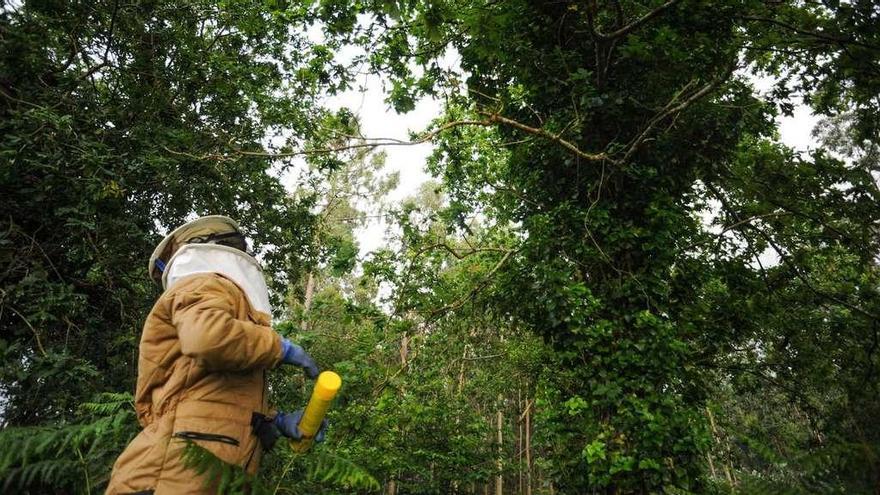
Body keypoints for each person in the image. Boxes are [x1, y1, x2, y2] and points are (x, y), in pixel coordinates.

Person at [107, 215, 325, 494]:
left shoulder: (213, 294)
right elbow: (206, 338)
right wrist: (278, 347)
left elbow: (208, 394)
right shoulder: (204, 283)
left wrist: (273, 421)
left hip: (192, 469)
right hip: (173, 473)